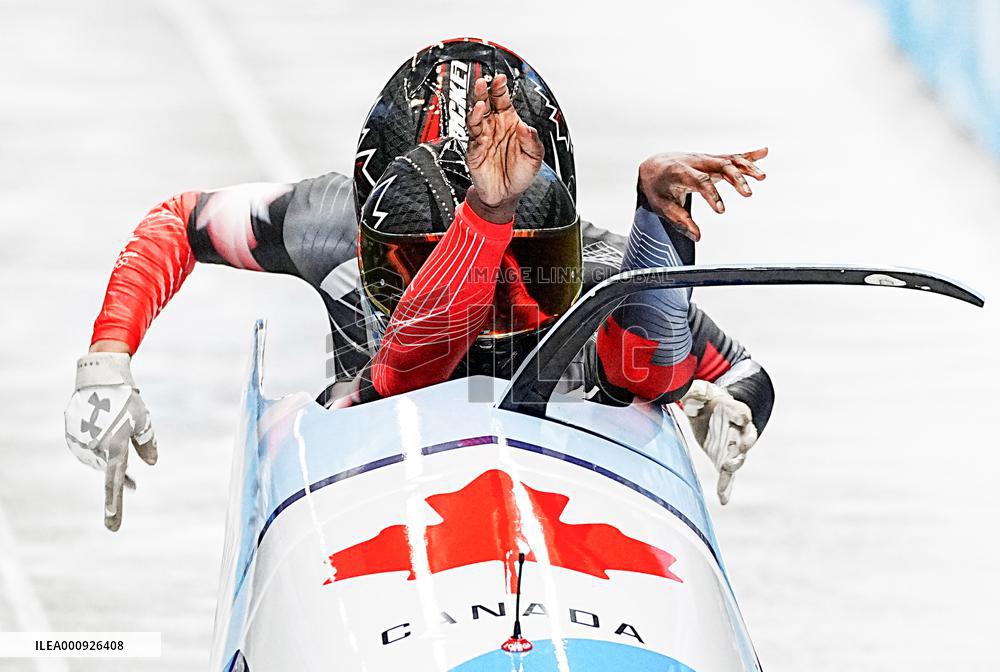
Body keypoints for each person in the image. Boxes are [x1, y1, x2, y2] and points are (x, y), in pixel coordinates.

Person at [64, 39, 774, 532]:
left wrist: (728, 406)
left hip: (536, 478)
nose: (488, 313)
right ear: (371, 223)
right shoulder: (326, 222)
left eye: (519, 265)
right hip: (382, 440)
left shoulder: (601, 272)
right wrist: (105, 363)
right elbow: (177, 222)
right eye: (414, 259)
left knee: (639, 369)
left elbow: (734, 371)